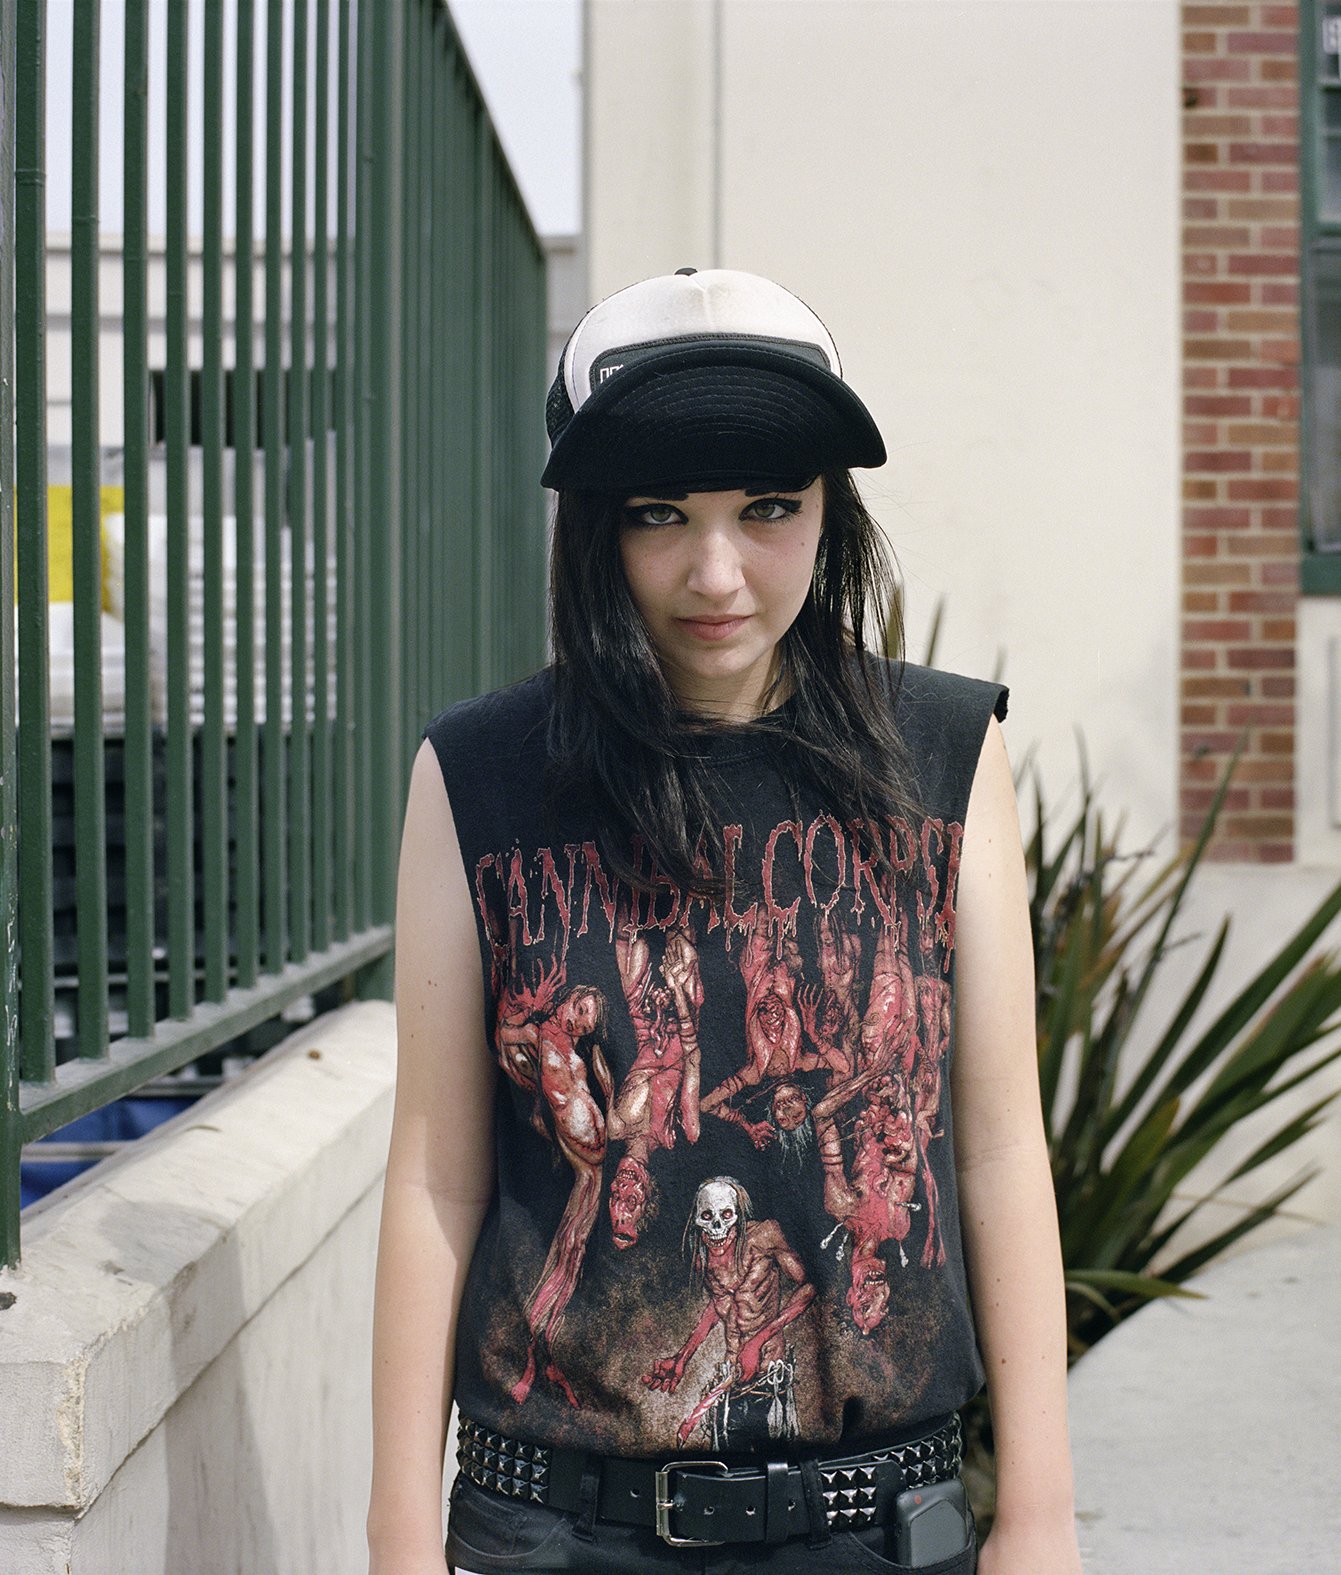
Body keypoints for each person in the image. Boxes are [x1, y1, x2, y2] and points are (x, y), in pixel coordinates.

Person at [367, 269, 1083, 1575]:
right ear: (595, 530)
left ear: (831, 512)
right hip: (554, 1529)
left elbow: (996, 1150)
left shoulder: (942, 752)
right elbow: (433, 1174)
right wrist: (398, 1531)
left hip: (878, 1525)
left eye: (768, 509)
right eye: (659, 515)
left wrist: (1040, 1516)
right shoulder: (480, 776)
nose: (717, 573)